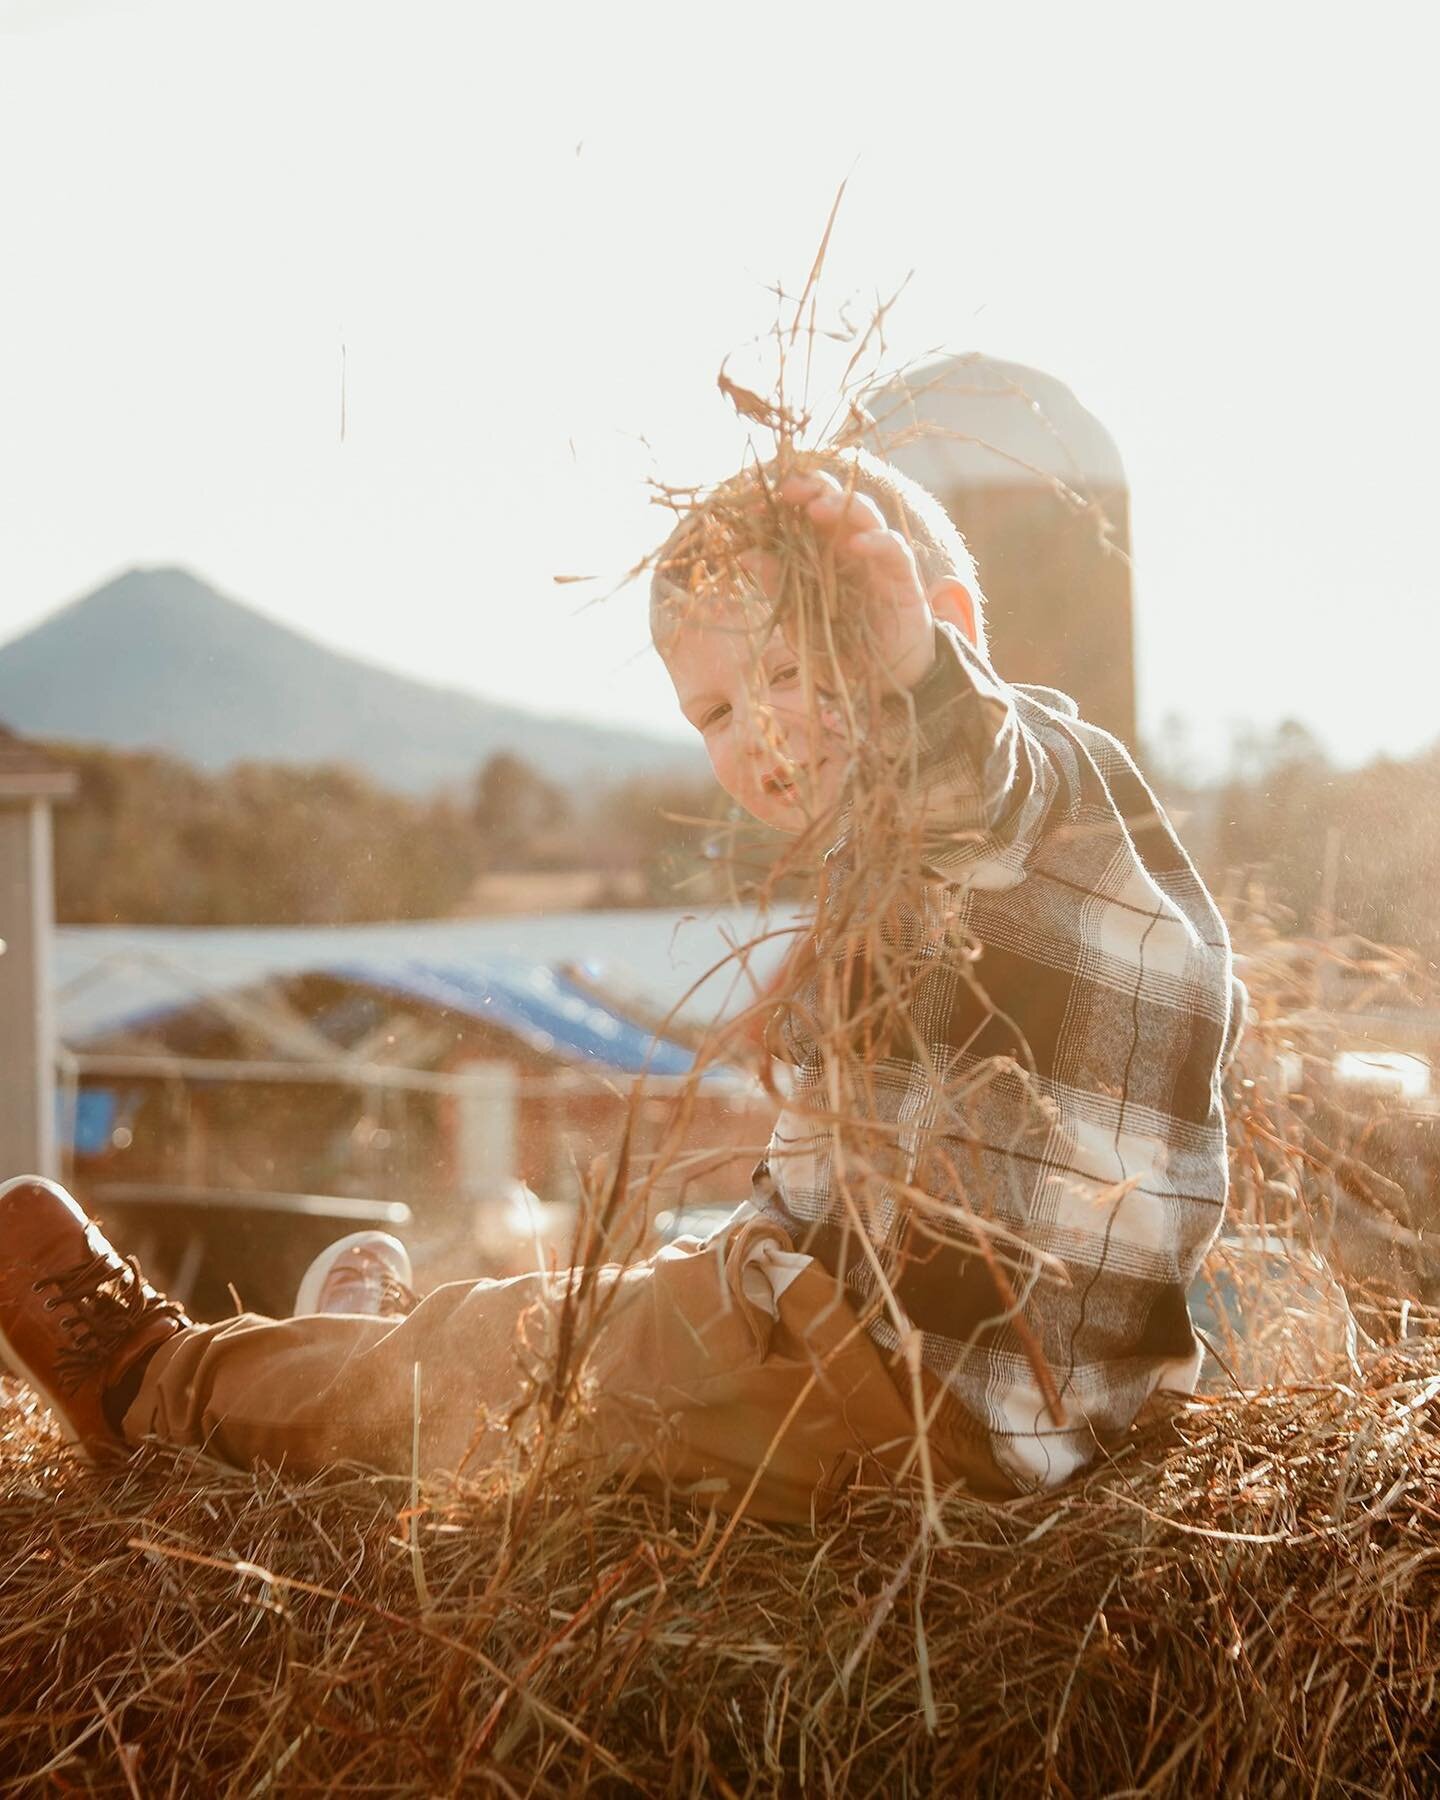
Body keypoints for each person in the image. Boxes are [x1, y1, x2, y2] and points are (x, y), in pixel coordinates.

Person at [0, 445, 1239, 1512]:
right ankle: (353, 1347)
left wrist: (919, 681)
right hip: (984, 1387)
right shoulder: (926, 882)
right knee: (566, 1321)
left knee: (490, 1369)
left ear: (946, 629)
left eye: (802, 673)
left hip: (919, 1397)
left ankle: (150, 1384)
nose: (758, 735)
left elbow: (976, 774)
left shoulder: (1027, 782)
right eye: (713, 711)